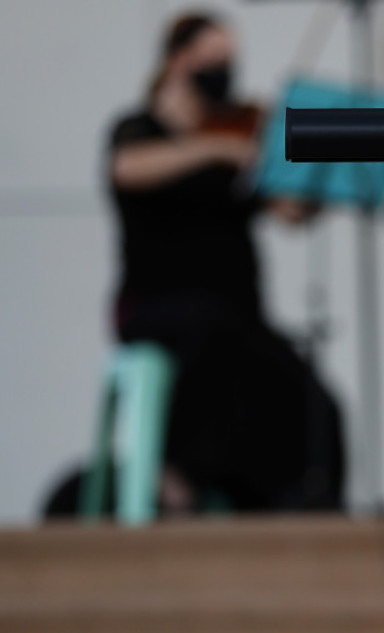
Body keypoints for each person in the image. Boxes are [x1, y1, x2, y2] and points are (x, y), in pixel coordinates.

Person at [106, 12, 342, 514]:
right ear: (177, 60)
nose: (223, 70)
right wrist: (218, 147)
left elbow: (288, 210)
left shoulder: (241, 131)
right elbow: (125, 168)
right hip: (158, 308)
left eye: (229, 60)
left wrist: (314, 180)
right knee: (212, 340)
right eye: (211, 58)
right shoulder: (140, 129)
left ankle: (289, 501)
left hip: (236, 315)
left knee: (312, 397)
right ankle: (179, 477)